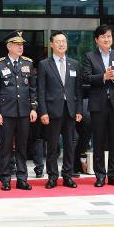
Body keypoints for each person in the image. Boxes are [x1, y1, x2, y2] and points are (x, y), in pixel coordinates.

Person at [82, 24, 114, 187]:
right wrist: (103, 76)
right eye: (103, 37)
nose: (106, 39)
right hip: (98, 104)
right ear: (97, 40)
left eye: (109, 36)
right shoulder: (90, 56)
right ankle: (100, 175)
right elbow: (86, 77)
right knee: (99, 141)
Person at [0, 30, 38, 191]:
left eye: (22, 44)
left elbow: (32, 89)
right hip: (6, 112)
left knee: (23, 146)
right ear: (9, 46)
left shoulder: (28, 63)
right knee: (6, 147)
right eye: (17, 44)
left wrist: (33, 108)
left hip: (24, 112)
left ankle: (22, 178)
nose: (20, 47)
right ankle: (5, 178)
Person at [37, 30, 82, 189]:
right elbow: (40, 90)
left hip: (70, 110)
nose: (62, 44)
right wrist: (43, 111)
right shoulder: (44, 64)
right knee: (53, 146)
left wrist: (79, 110)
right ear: (51, 44)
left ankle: (68, 176)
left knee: (70, 145)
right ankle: (52, 176)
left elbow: (78, 90)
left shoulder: (74, 63)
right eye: (58, 41)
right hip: (52, 111)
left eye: (64, 41)